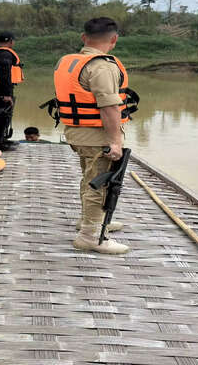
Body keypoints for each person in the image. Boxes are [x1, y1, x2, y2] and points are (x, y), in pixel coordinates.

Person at [49, 17, 139, 254]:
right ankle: (90, 236)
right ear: (114, 40)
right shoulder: (102, 66)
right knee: (100, 184)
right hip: (97, 136)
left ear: (84, 37)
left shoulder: (69, 61)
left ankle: (89, 220)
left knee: (90, 177)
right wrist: (115, 142)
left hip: (76, 133)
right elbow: (109, 108)